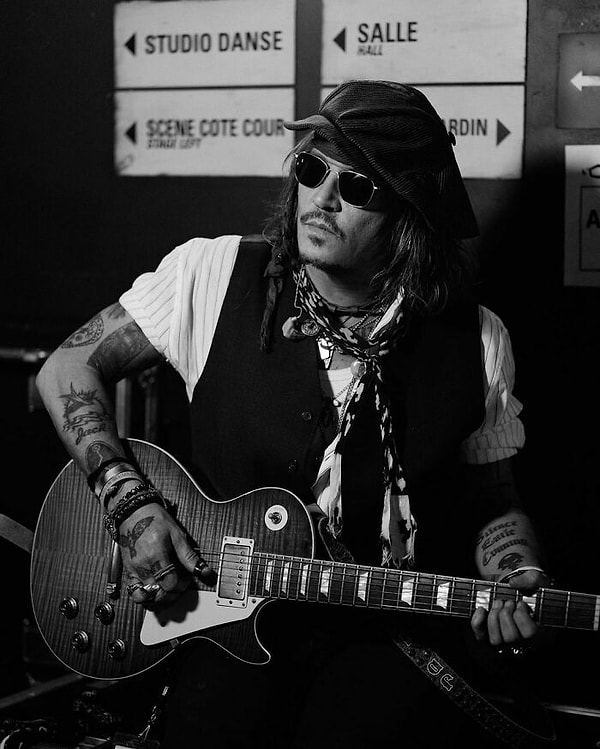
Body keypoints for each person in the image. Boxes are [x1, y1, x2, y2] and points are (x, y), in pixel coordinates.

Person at [36, 80, 553, 748]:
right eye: (312, 168)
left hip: (377, 631)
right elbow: (66, 367)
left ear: (411, 212)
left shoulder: (477, 340)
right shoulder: (213, 274)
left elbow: (495, 501)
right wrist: (130, 504)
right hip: (217, 616)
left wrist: (514, 571)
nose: (323, 198)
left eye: (357, 186)